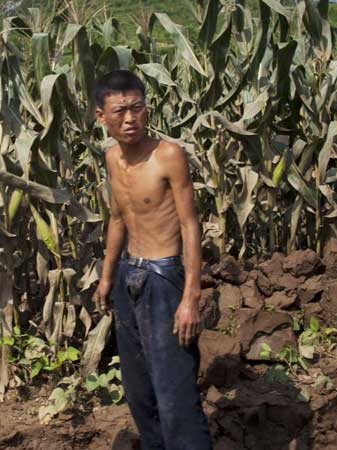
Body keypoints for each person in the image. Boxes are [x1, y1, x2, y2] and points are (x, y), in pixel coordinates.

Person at [91, 70, 212, 450]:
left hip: (164, 278)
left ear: (146, 109)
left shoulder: (168, 155)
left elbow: (191, 226)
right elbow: (117, 218)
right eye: (119, 111)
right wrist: (107, 277)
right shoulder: (112, 158)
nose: (130, 119)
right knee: (139, 392)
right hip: (130, 276)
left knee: (174, 393)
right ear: (101, 117)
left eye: (137, 108)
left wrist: (190, 297)